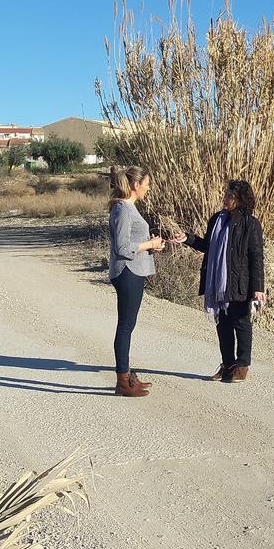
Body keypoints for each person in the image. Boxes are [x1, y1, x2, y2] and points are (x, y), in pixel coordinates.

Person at [170, 179, 266, 382]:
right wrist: (188, 238)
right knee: (223, 325)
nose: (225, 199)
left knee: (241, 323)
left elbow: (256, 257)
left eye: (230, 196)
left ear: (240, 200)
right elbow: (208, 245)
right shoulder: (216, 220)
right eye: (226, 194)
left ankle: (242, 366)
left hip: (239, 281)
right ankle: (228, 365)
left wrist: (258, 287)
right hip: (217, 283)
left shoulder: (251, 224)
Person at [108, 166, 166, 397]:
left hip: (134, 270)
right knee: (125, 326)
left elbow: (133, 241)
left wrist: (151, 244)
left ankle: (126, 375)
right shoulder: (122, 209)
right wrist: (149, 244)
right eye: (146, 184)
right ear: (135, 185)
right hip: (127, 271)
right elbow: (122, 247)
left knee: (128, 325)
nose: (148, 188)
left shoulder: (128, 208)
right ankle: (122, 381)